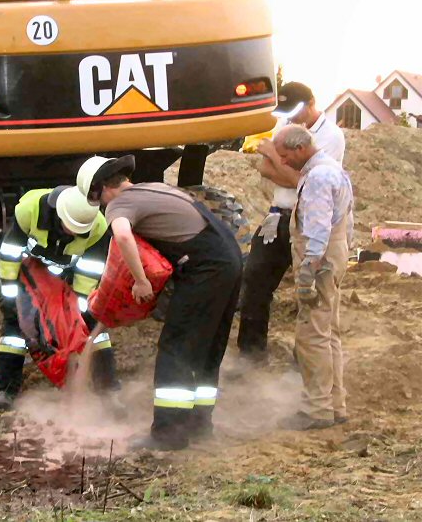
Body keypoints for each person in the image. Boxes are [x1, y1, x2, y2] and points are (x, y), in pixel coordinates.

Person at [76, 155, 242, 450]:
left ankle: (168, 434)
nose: (100, 206)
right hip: (229, 260)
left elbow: (123, 237)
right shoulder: (155, 188)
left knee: (175, 347)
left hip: (204, 269)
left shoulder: (119, 204)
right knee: (207, 348)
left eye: (95, 199)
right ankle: (200, 424)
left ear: (102, 188)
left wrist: (141, 281)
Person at [238, 82, 346, 363]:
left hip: (309, 219)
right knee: (255, 279)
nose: (291, 117)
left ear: (311, 103)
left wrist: (275, 158)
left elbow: (305, 181)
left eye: (295, 111)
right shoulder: (284, 126)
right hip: (277, 215)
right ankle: (251, 354)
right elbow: (265, 169)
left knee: (310, 292)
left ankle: (306, 361)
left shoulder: (331, 136)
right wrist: (284, 168)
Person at [0, 185, 120, 411]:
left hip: (70, 273)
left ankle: (109, 389)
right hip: (31, 269)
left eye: (79, 231)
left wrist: (79, 308)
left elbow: (90, 270)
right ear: (58, 214)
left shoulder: (98, 228)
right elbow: (10, 254)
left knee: (92, 326)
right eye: (70, 228)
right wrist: (10, 293)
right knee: (15, 328)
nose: (73, 234)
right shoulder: (29, 211)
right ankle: (6, 391)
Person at [273, 125, 353, 430]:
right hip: (335, 254)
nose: (282, 162)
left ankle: (317, 409)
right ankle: (335, 404)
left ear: (300, 148)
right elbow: (347, 221)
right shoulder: (333, 169)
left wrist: (308, 272)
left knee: (311, 335)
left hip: (320, 260)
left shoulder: (318, 177)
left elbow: (318, 229)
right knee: (329, 331)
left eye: (284, 156)